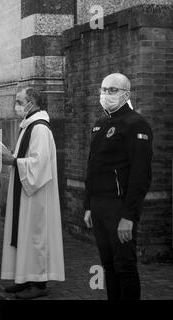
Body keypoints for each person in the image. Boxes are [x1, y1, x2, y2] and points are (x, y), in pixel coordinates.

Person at [84, 73, 153, 300]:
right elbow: (92, 167)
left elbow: (140, 175)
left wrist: (129, 216)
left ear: (126, 94)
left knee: (124, 266)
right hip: (98, 205)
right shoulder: (100, 124)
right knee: (108, 265)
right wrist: (87, 205)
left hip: (119, 207)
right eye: (104, 89)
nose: (106, 94)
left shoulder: (136, 124)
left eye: (113, 90)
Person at [0, 87, 65, 299]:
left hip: (37, 194)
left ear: (33, 102)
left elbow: (40, 163)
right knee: (24, 235)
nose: (16, 106)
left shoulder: (39, 128)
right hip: (26, 191)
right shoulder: (29, 125)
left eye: (19, 101)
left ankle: (38, 283)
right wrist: (15, 157)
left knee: (36, 236)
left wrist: (14, 160)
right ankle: (25, 278)